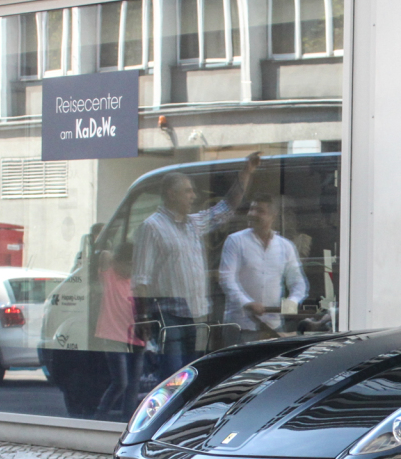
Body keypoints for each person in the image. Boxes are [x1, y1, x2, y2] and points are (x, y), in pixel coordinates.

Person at [132, 151, 260, 376]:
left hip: (197, 314)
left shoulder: (193, 223)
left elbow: (226, 208)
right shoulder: (152, 227)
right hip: (169, 317)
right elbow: (141, 279)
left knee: (191, 378)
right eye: (188, 191)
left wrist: (246, 173)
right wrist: (142, 319)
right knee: (173, 379)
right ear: (171, 194)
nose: (193, 196)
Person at [219, 193, 308, 343]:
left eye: (260, 211)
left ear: (273, 215)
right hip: (241, 325)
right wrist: (247, 303)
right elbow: (226, 279)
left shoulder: (285, 246)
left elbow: (298, 282)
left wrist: (292, 301)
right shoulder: (235, 241)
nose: (252, 214)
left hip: (273, 326)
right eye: (251, 209)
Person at [92, 241, 145, 421]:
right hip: (113, 335)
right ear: (118, 261)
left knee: (133, 384)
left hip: (137, 336)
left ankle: (128, 419)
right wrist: (114, 257)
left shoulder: (137, 281)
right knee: (121, 382)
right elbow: (103, 256)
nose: (130, 268)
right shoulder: (109, 276)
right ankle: (100, 414)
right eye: (127, 263)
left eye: (133, 264)